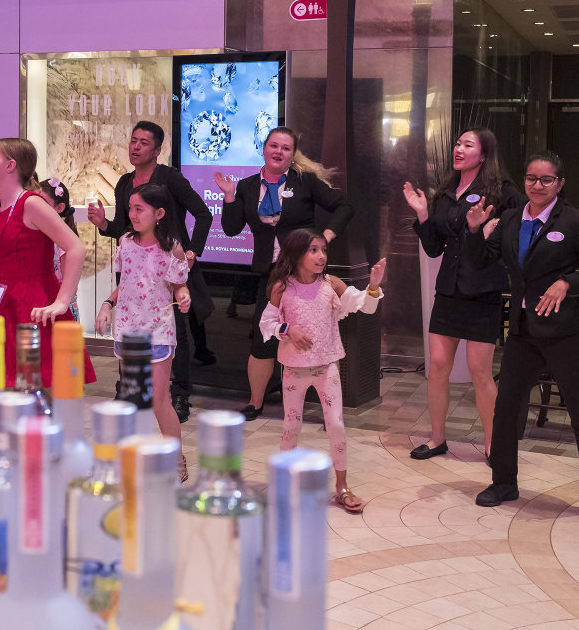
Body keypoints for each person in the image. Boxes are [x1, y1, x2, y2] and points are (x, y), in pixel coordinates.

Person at [466, 152, 579, 524]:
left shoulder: (577, 221)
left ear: (559, 183)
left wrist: (568, 283)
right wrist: (474, 231)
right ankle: (503, 482)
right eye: (532, 178)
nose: (537, 185)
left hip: (567, 332)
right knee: (506, 408)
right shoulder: (511, 219)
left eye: (546, 179)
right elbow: (481, 260)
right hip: (523, 329)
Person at [214, 126, 355, 421]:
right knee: (262, 339)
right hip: (270, 275)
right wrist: (228, 197)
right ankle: (255, 402)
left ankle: (328, 407)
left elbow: (344, 206)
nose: (279, 152)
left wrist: (326, 236)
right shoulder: (247, 186)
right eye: (274, 146)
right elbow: (231, 229)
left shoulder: (305, 182)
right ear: (264, 149)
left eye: (286, 148)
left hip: (305, 274)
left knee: (316, 338)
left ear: (292, 155)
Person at [403, 128, 523, 460]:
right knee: (438, 366)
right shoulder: (445, 194)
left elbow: (520, 230)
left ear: (483, 155)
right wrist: (422, 214)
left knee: (479, 372)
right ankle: (437, 438)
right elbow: (433, 248)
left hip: (483, 289)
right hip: (449, 290)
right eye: (457, 143)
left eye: (467, 145)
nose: (458, 148)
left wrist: (491, 231)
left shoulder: (503, 192)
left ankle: (494, 444)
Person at [0, 137, 95, 388]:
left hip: (36, 305)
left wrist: (62, 301)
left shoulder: (31, 203)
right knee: (12, 387)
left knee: (37, 387)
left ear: (10, 165)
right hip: (6, 305)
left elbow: (75, 248)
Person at [87, 121, 212, 421]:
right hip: (135, 268)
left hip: (166, 264)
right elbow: (124, 228)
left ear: (157, 150)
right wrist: (103, 224)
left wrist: (191, 252)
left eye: (144, 142)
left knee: (173, 331)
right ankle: (127, 389)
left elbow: (203, 214)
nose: (136, 146)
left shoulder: (170, 178)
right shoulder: (124, 183)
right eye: (133, 140)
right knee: (130, 328)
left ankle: (179, 394)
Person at [258, 229, 386, 514]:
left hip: (326, 366)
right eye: (313, 250)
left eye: (323, 250)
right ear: (296, 253)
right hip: (293, 369)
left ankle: (342, 486)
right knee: (291, 425)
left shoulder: (331, 284)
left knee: (336, 424)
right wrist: (287, 329)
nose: (321, 256)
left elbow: (365, 306)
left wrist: (373, 286)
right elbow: (267, 323)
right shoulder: (282, 287)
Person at [95, 184, 191, 481]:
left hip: (158, 330)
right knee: (134, 399)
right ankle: (134, 459)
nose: (133, 215)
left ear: (159, 213)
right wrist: (107, 304)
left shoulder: (172, 248)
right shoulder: (125, 242)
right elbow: (126, 283)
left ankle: (176, 459)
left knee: (159, 400)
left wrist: (184, 295)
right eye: (131, 209)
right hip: (128, 331)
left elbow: (178, 285)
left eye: (140, 209)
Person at [39, 177, 80, 321]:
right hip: (45, 304)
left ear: (59, 208)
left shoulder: (64, 241)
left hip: (59, 308)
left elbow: (70, 282)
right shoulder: (44, 234)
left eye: (43, 204)